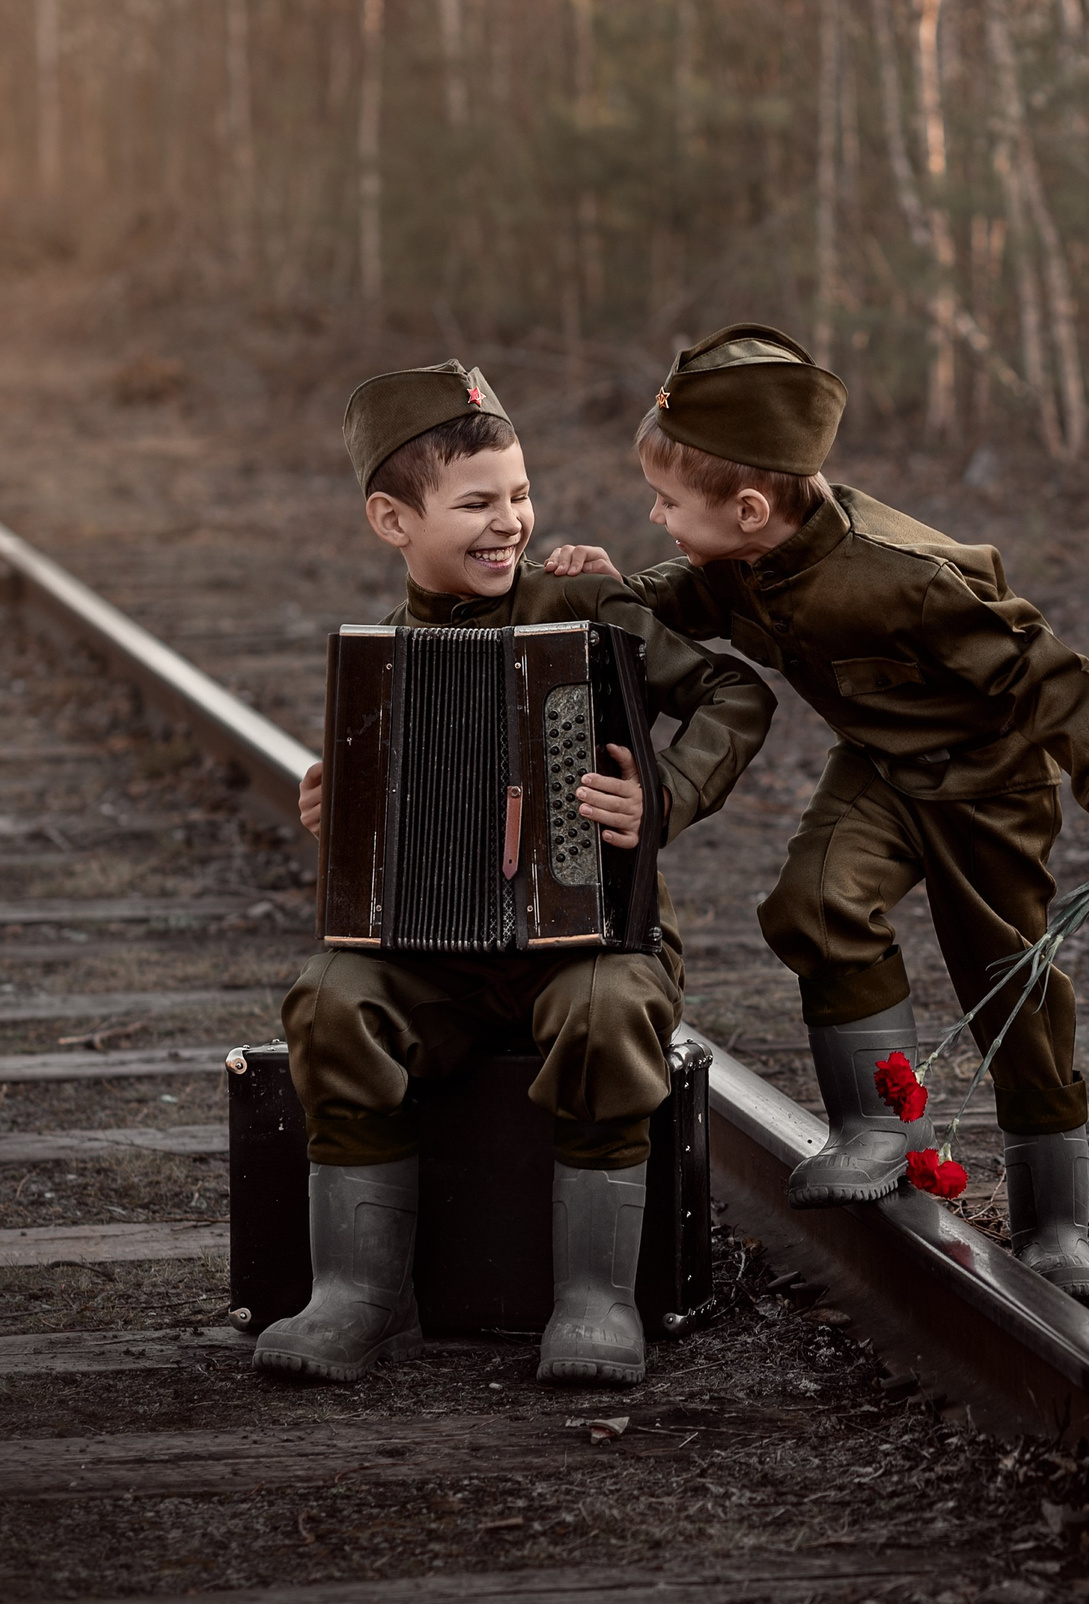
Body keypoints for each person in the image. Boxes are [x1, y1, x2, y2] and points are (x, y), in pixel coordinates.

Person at [543, 325, 1089, 1307]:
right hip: (879, 774)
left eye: (665, 504)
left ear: (748, 508)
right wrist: (604, 586)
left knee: (1012, 989)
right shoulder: (742, 554)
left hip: (991, 791)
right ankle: (882, 1124)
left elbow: (1053, 673)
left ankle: (1056, 1222)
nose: (654, 517)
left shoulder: (904, 577)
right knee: (813, 901)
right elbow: (682, 596)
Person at [261, 360, 774, 1386]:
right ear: (391, 521)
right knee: (330, 998)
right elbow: (382, 841)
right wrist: (338, 813)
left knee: (603, 1008)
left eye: (521, 494)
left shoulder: (582, 602)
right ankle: (360, 1294)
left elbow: (731, 692)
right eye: (477, 503)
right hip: (435, 961)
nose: (511, 522)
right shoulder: (381, 660)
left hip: (590, 941)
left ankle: (592, 1297)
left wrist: (661, 796)